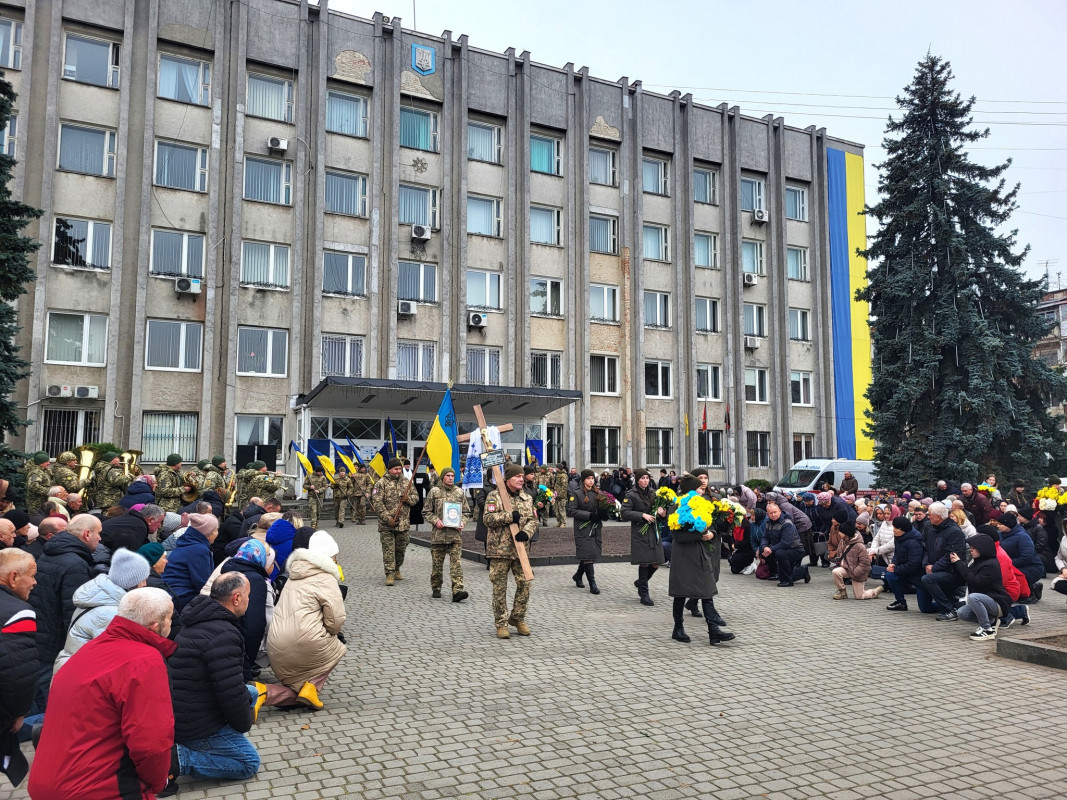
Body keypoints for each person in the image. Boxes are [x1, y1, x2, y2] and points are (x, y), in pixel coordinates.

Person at [28, 588, 177, 800]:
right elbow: (151, 742)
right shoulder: (144, 660)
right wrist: (157, 781)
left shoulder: (87, 652)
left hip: (47, 782)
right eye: (171, 617)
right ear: (156, 626)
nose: (173, 623)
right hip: (98, 788)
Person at [167, 572, 260, 790]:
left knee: (252, 692)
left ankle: (215, 742)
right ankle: (178, 759)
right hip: (193, 721)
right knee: (248, 763)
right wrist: (241, 724)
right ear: (236, 598)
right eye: (248, 595)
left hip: (186, 705)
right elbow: (230, 691)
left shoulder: (200, 617)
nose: (249, 600)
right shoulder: (223, 634)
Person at [263, 535, 346, 710]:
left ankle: (261, 693)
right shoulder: (326, 578)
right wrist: (327, 630)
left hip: (275, 645)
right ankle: (313, 685)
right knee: (338, 647)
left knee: (297, 692)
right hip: (305, 643)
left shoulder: (293, 574)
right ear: (330, 556)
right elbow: (335, 621)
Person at [27, 515, 101, 709]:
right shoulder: (75, 564)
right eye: (98, 533)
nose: (100, 538)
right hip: (56, 641)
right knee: (53, 702)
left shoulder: (52, 552)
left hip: (42, 633)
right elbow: (74, 611)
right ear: (87, 534)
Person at [53, 547, 150, 673]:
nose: (145, 584)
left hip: (73, 669)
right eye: (142, 579)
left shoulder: (101, 599)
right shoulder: (110, 613)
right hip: (82, 674)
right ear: (130, 583)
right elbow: (112, 659)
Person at [668, 475, 735, 645]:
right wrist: (699, 534)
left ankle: (713, 631)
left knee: (707, 590)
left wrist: (711, 533)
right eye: (698, 488)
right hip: (683, 555)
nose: (702, 490)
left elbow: (710, 523)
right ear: (690, 489)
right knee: (680, 593)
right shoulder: (676, 507)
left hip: (701, 552)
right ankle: (678, 628)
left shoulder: (704, 504)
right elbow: (677, 535)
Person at [482, 464, 536, 639]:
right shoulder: (495, 496)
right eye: (517, 476)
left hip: (520, 550)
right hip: (499, 550)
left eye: (522, 476)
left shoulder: (527, 498)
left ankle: (517, 618)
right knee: (499, 588)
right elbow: (487, 519)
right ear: (507, 479)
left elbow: (533, 520)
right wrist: (508, 516)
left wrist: (526, 533)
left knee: (525, 584)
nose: (521, 479)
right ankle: (501, 623)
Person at [0, 549, 37, 786]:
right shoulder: (18, 612)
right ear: (13, 578)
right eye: (32, 575)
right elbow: (18, 671)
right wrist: (18, 713)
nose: (34, 582)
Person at [219, 539, 273, 680]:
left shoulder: (227, 571)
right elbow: (254, 623)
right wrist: (250, 656)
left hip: (223, 637)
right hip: (240, 644)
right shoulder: (255, 580)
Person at [949, 533, 1012, 641]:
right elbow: (967, 576)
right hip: (986, 600)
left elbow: (976, 581)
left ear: (982, 549)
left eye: (974, 548)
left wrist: (960, 564)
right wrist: (958, 564)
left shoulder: (990, 565)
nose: (971, 550)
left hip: (998, 602)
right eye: (971, 548)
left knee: (973, 597)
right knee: (962, 613)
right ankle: (991, 621)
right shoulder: (977, 562)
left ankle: (987, 629)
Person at [424, 467, 470, 602]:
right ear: (442, 477)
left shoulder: (459, 492)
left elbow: (466, 512)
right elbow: (426, 511)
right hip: (438, 535)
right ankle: (436, 587)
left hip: (455, 536)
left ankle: (458, 590)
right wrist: (435, 520)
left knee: (456, 565)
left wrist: (462, 521)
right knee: (437, 566)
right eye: (448, 475)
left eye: (452, 475)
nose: (450, 478)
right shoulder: (434, 492)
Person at [370, 458, 418, 585]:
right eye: (395, 469)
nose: (398, 471)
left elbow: (416, 498)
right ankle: (389, 573)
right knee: (388, 550)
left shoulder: (407, 482)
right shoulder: (381, 483)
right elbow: (377, 502)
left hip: (403, 524)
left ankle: (397, 568)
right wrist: (387, 518)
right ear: (390, 469)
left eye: (399, 469)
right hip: (387, 524)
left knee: (401, 549)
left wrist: (408, 499)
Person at [621, 469, 666, 606]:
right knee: (645, 562)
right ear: (638, 479)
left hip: (654, 531)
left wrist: (662, 513)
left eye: (647, 478)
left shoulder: (654, 493)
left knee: (656, 563)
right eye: (643, 478)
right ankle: (644, 594)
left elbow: (662, 511)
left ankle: (640, 582)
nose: (645, 480)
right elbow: (624, 512)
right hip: (641, 531)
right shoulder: (631, 494)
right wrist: (642, 515)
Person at [919, 502, 967, 619]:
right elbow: (926, 549)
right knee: (924, 606)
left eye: (930, 514)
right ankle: (953, 604)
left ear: (938, 517)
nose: (928, 516)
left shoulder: (954, 532)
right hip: (934, 568)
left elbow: (951, 555)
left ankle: (950, 610)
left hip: (951, 572)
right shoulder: (931, 529)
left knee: (928, 579)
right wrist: (926, 565)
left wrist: (934, 567)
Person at [163, 513, 219, 612]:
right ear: (208, 534)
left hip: (172, 594)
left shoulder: (189, 543)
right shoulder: (198, 549)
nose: (217, 533)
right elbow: (202, 583)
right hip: (181, 598)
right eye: (215, 530)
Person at [567, 469, 609, 594]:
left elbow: (603, 508)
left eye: (592, 478)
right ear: (583, 480)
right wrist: (589, 515)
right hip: (582, 528)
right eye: (588, 478)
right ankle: (592, 583)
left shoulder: (599, 493)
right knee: (588, 553)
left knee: (590, 553)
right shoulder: (577, 493)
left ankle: (578, 576)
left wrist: (605, 513)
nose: (591, 481)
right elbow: (571, 511)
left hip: (595, 527)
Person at [995, 512, 1045, 600]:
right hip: (1011, 565)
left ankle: (1031, 593)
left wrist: (1009, 563)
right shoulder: (1000, 535)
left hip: (1030, 567)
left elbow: (1027, 557)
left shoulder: (1022, 536)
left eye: (1000, 524)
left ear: (1008, 524)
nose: (998, 526)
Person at [761, 502, 809, 588]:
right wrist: (764, 547)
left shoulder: (786, 523)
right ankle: (800, 572)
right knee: (764, 550)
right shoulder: (768, 523)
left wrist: (770, 549)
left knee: (779, 553)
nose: (773, 515)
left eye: (775, 512)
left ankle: (788, 580)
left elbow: (786, 543)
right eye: (771, 513)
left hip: (795, 549)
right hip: (781, 548)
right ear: (768, 514)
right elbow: (765, 537)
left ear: (780, 511)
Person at [831, 522, 883, 600]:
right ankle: (842, 592)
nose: (839, 533)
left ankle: (874, 592)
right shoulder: (842, 542)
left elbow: (865, 563)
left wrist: (856, 572)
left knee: (859, 596)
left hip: (857, 572)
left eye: (840, 532)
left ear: (846, 533)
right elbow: (839, 554)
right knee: (836, 572)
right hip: (847, 568)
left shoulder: (859, 546)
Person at [884, 516, 926, 611]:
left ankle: (953, 605)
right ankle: (900, 602)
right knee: (890, 575)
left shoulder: (914, 542)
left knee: (925, 608)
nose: (893, 530)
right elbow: (897, 554)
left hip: (917, 575)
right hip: (904, 570)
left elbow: (914, 564)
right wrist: (893, 564)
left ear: (903, 529)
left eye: (896, 528)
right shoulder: (898, 537)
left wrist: (896, 569)